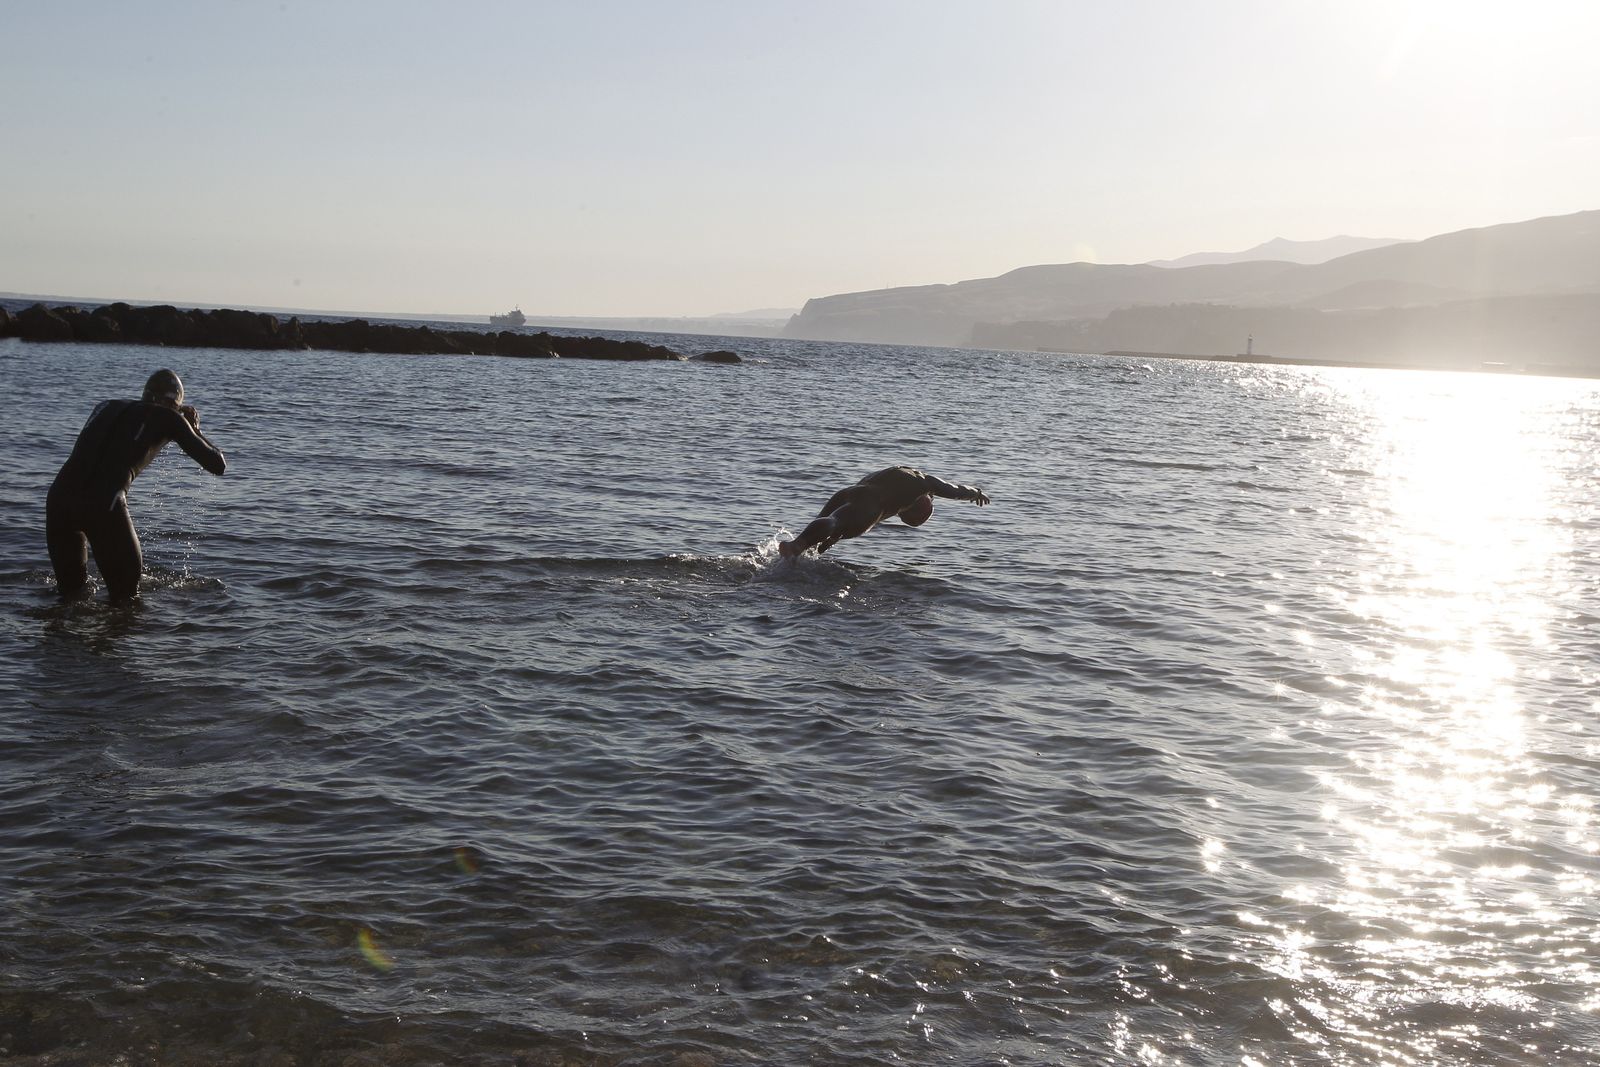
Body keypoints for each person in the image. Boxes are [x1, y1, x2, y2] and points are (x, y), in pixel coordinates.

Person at [46, 369, 227, 601]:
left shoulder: (106, 406)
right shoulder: (170, 418)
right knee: (127, 600)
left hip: (59, 499)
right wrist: (195, 430)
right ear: (174, 403)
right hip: (104, 503)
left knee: (69, 595)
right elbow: (217, 464)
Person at [778, 465, 991, 558]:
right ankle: (797, 546)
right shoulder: (924, 483)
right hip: (872, 504)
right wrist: (976, 493)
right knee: (836, 524)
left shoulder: (896, 472)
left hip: (849, 492)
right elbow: (954, 490)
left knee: (832, 528)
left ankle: (798, 551)